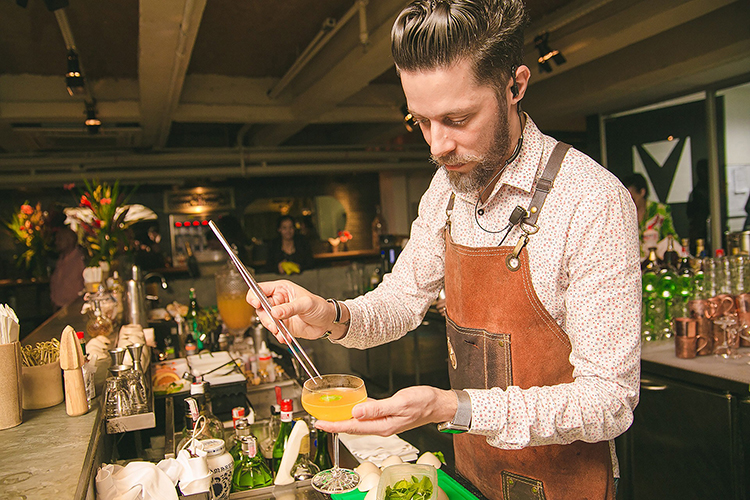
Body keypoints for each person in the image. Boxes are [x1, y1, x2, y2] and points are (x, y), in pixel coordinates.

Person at [247, 1, 640, 498]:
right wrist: (328, 314)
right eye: (422, 122)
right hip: (469, 476)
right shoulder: (445, 189)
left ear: (515, 86)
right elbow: (401, 302)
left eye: (456, 118)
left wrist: (452, 407)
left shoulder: (591, 201)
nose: (437, 146)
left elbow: (609, 402)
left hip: (563, 484)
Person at [624, 172, 679, 256]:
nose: (630, 203)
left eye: (633, 199)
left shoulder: (660, 210)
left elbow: (671, 238)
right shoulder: (623, 213)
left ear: (642, 192)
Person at [49, 227, 86, 309]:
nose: (56, 242)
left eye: (60, 239)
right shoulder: (61, 259)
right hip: (59, 308)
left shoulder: (80, 259)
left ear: (69, 241)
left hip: (75, 309)